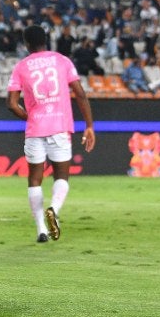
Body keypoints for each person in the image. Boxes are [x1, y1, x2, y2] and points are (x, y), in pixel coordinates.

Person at [6, 24, 96, 243]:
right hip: (59, 127)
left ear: (26, 44)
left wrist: (31, 117)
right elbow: (80, 94)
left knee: (35, 179)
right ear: (46, 40)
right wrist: (89, 126)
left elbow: (11, 104)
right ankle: (54, 209)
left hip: (35, 129)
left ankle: (41, 231)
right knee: (62, 176)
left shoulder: (21, 66)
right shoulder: (62, 61)